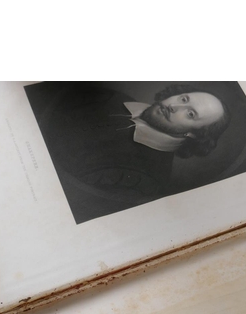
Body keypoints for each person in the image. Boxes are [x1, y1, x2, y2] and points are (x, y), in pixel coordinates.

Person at [33, 83, 231, 223]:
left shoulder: (144, 180)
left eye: (190, 113)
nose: (173, 106)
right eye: (183, 98)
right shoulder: (114, 97)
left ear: (194, 134)